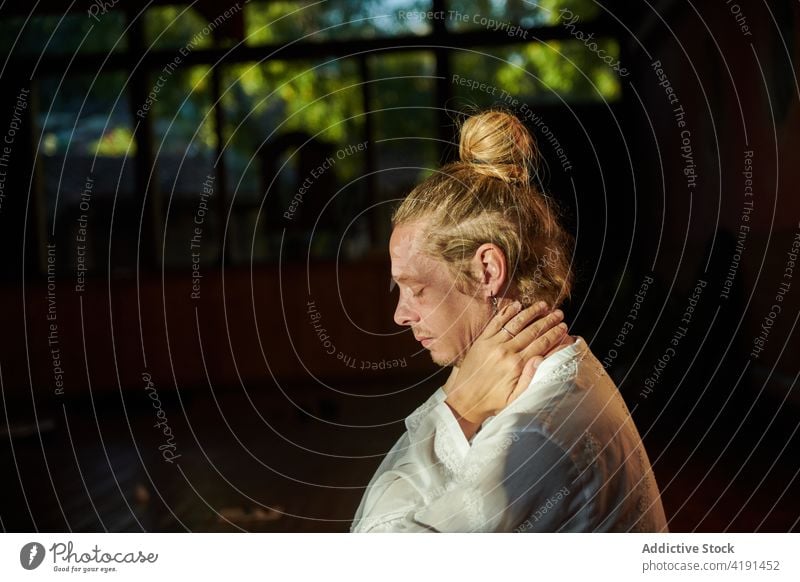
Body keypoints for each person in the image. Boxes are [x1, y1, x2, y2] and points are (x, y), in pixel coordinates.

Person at [350, 110, 668, 533]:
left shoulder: (537, 433)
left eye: (417, 288)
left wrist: (457, 407)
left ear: (487, 271)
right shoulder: (545, 385)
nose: (401, 313)